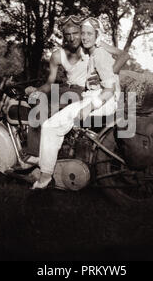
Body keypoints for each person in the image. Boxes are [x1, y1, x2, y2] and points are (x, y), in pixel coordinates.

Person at [31, 17, 121, 190]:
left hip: (98, 99)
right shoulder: (93, 53)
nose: (84, 37)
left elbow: (109, 89)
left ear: (97, 35)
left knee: (50, 126)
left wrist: (89, 106)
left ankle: (44, 177)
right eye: (84, 33)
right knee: (49, 119)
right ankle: (45, 162)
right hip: (92, 97)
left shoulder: (99, 53)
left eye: (88, 34)